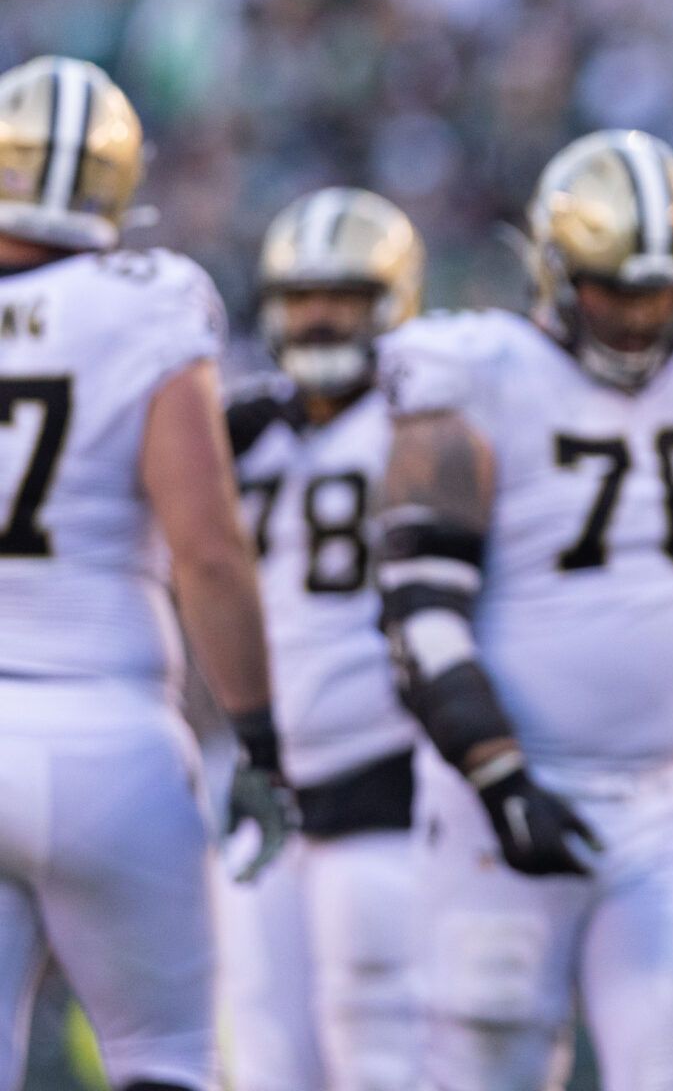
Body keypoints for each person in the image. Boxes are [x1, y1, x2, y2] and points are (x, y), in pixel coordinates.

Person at [375, 129, 673, 1091]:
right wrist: (500, 776)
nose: (637, 318)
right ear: (554, 273)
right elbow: (416, 616)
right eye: (611, 289)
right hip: (497, 800)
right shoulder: (477, 372)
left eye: (657, 291)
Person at [0, 55, 289, 1091]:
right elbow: (206, 546)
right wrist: (258, 735)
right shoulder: (145, 297)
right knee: (164, 1059)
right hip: (104, 732)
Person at [216, 187, 427, 1091]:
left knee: (385, 1060)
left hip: (390, 784)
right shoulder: (243, 431)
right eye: (300, 297)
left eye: (340, 295)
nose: (317, 317)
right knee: (263, 1061)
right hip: (263, 796)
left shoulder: (426, 425)